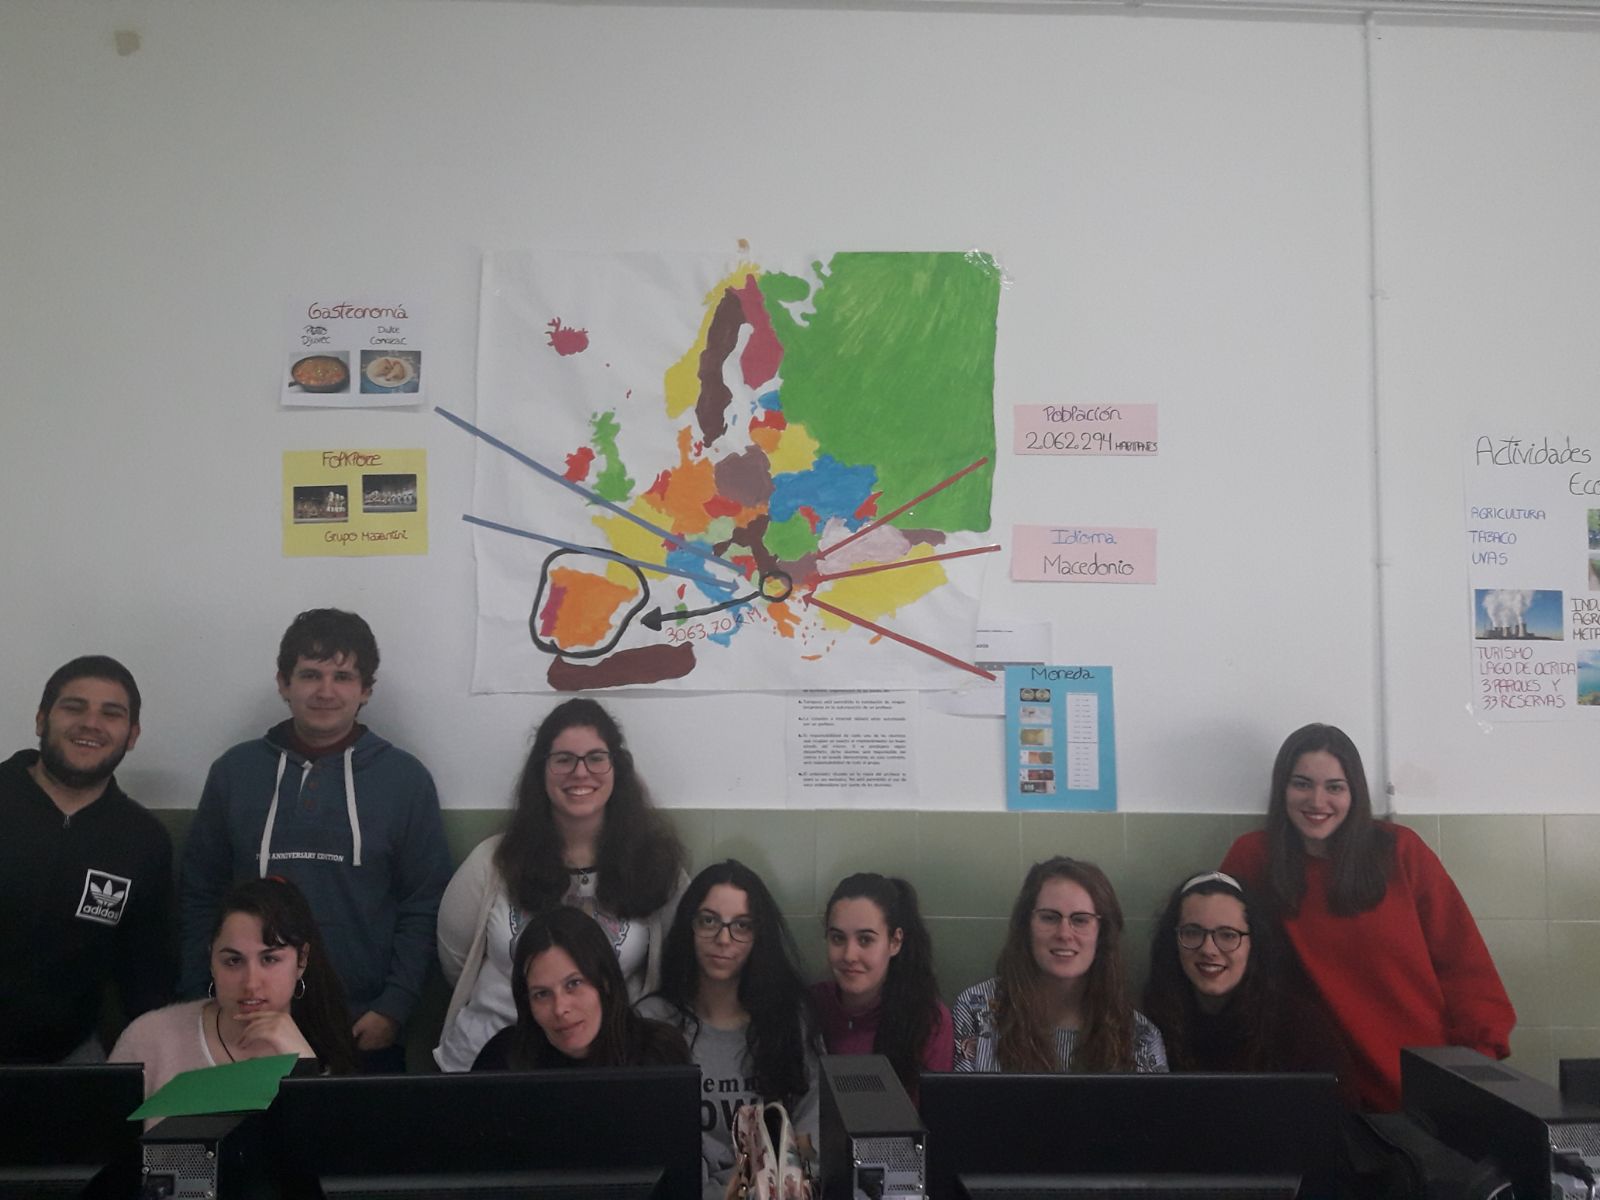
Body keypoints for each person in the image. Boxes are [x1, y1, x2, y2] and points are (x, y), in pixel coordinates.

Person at [178, 609, 451, 1071]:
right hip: (243, 1024)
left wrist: (394, 1006)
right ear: (283, 683)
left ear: (366, 689)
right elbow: (199, 895)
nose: (326, 691)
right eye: (310, 675)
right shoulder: (234, 773)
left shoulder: (406, 780)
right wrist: (199, 999)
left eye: (342, 676)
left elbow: (424, 904)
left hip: (363, 1026)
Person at [1220, 723, 1515, 1111]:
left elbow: (1464, 964)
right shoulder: (1253, 857)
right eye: (1302, 784)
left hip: (1420, 1084)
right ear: (1282, 789)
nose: (1317, 800)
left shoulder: (1400, 851)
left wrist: (1473, 1067)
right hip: (1313, 1087)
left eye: (1335, 787)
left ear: (1354, 793)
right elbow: (1220, 959)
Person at [435, 698, 687, 1072]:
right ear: (542, 770)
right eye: (564, 759)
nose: (580, 772)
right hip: (485, 1065)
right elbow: (455, 960)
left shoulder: (656, 867)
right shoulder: (493, 862)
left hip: (608, 1073)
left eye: (596, 758)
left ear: (617, 767)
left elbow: (680, 967)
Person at [0, 656, 175, 1064]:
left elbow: (147, 977)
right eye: (74, 707)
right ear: (41, 720)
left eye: (110, 714)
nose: (91, 723)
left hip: (66, 1056)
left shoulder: (143, 841)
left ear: (132, 735)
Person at [638, 860, 822, 1200]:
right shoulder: (654, 1022)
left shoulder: (790, 1020)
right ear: (689, 926)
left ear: (758, 936)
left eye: (741, 925)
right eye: (709, 921)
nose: (723, 939)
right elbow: (656, 1146)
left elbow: (812, 1133)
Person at [112, 877, 357, 1107]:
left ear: (301, 960)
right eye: (233, 961)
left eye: (269, 959)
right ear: (212, 960)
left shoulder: (325, 1047)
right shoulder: (149, 1040)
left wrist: (303, 1064)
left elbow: (328, 1137)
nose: (251, 983)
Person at [952, 857, 1166, 1073]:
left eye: (1080, 920)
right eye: (1049, 918)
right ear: (1026, 926)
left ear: (1102, 933)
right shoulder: (975, 1010)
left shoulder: (1140, 1038)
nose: (1064, 934)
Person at [1141, 870, 1349, 1090]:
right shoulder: (1150, 1027)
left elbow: (1338, 1107)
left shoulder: (1303, 1031)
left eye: (1228, 935)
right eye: (1192, 932)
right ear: (1173, 941)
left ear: (1254, 944)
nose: (1208, 949)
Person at [472, 905, 690, 1070]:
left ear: (605, 981)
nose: (560, 1008)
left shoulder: (659, 1054)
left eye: (574, 984)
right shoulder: (502, 1058)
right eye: (542, 994)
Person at [812, 873, 953, 1095]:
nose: (849, 955)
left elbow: (934, 1111)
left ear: (895, 942)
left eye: (865, 940)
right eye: (838, 938)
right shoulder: (808, 1009)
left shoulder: (927, 1020)